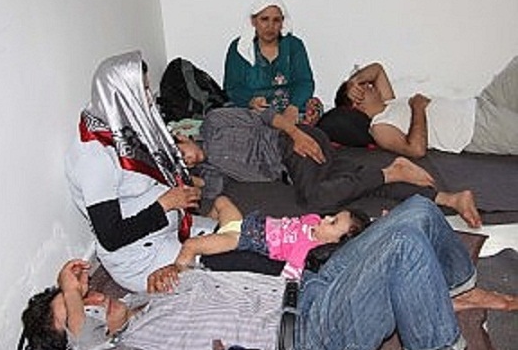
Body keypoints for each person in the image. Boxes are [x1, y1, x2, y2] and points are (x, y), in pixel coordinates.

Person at [18, 196, 518, 350]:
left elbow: (209, 256)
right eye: (79, 309)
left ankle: (459, 290)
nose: (93, 299)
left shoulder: (148, 293)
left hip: (312, 288)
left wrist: (182, 261)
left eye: (85, 293)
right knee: (405, 246)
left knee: (418, 212)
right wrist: (67, 289)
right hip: (311, 340)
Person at [178, 106, 482, 228]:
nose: (187, 160)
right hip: (296, 169)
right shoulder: (211, 170)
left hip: (293, 144)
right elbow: (210, 197)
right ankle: (449, 198)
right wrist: (188, 185)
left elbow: (265, 116)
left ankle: (390, 171)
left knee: (315, 201)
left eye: (182, 153)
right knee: (357, 189)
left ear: (182, 137)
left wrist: (296, 133)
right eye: (183, 164)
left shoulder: (214, 122)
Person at [64, 51, 217, 292]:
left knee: (238, 235)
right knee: (230, 263)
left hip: (166, 230)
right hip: (139, 255)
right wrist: (165, 203)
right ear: (120, 96)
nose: (149, 98)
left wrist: (181, 181)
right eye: (142, 90)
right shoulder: (94, 157)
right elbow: (111, 237)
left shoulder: (120, 126)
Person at [335, 58, 518, 158]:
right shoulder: (379, 127)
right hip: (475, 130)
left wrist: (354, 81)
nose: (370, 84)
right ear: (356, 103)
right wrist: (418, 109)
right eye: (364, 87)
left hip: (479, 103)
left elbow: (377, 69)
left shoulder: (388, 103)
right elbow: (416, 150)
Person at [173, 196, 370, 280]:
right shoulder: (313, 220)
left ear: (334, 243)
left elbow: (289, 278)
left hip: (242, 239)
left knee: (191, 246)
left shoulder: (305, 250)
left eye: (333, 223)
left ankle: (182, 281)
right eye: (332, 216)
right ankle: (209, 229)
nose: (326, 218)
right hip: (244, 224)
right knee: (221, 201)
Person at [223, 0, 323, 125]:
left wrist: (293, 107)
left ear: (282, 23)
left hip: (289, 109)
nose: (270, 26)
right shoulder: (239, 48)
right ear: (253, 21)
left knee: (315, 110)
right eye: (264, 19)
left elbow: (304, 82)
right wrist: (251, 101)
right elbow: (232, 86)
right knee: (220, 119)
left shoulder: (294, 46)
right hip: (253, 111)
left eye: (276, 20)